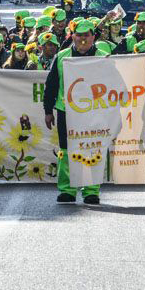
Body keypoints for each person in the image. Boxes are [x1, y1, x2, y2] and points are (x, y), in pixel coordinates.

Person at [42, 20, 105, 205]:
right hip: (66, 111)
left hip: (95, 112)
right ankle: (67, 190)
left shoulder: (104, 57)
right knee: (66, 151)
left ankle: (91, 191)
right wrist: (48, 111)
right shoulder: (62, 56)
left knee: (93, 150)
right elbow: (51, 85)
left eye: (87, 35)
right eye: (79, 35)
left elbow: (113, 85)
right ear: (73, 36)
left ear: (93, 36)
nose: (83, 39)